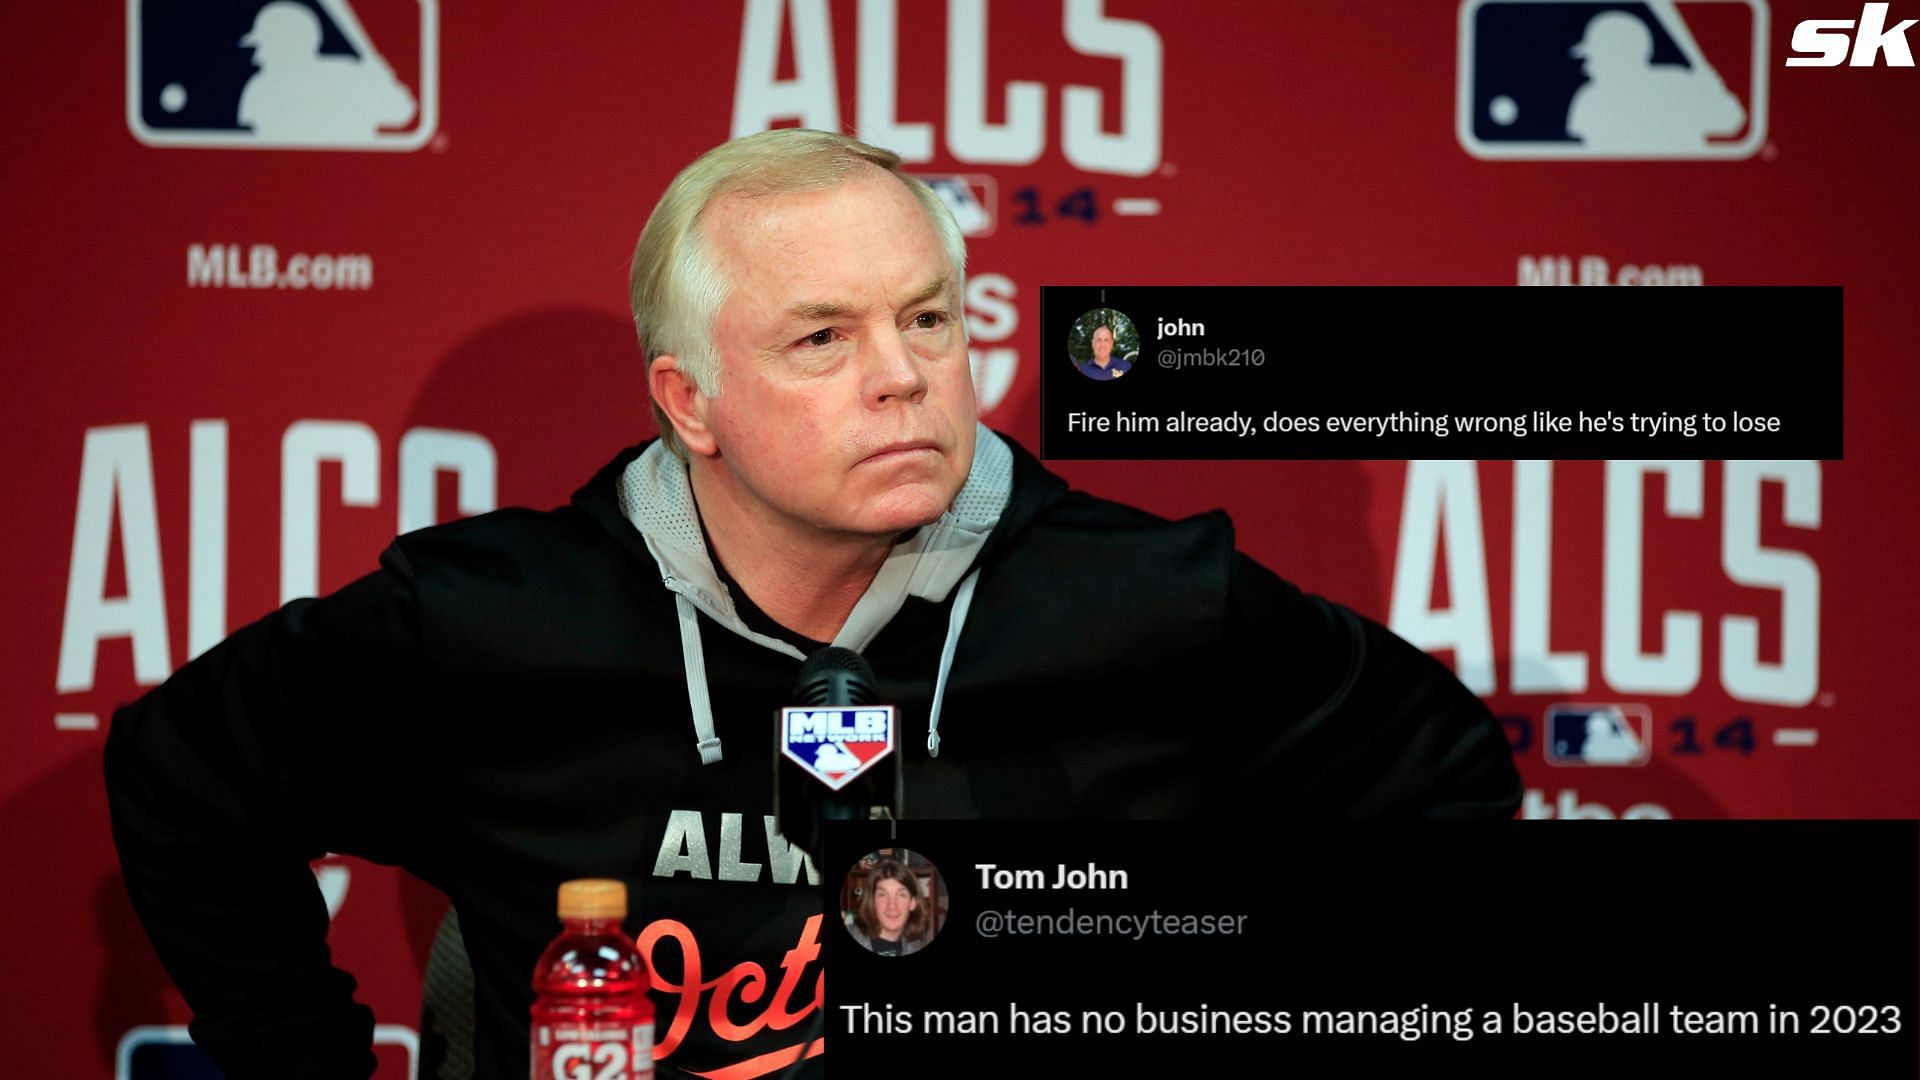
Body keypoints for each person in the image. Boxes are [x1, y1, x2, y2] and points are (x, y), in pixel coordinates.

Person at [104, 129, 1521, 1080]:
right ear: (691, 402)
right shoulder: (498, 617)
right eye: (823, 338)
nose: (900, 376)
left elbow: (1446, 782)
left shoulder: (1146, 601)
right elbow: (181, 775)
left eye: (925, 319)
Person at [844, 859, 930, 956]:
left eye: (901, 895)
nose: (892, 906)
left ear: (913, 903)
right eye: (882, 895)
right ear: (872, 901)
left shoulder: (917, 946)